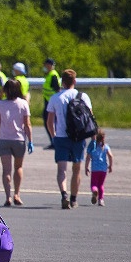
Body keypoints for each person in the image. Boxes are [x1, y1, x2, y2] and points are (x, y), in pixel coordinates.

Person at [45, 69, 92, 209]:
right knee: (76, 168)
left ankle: (64, 194)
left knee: (62, 169)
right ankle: (74, 199)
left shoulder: (55, 98)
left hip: (61, 136)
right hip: (78, 137)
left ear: (62, 82)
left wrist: (53, 136)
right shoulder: (83, 96)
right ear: (74, 81)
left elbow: (49, 121)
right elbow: (90, 118)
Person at [0, 79, 33, 207]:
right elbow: (27, 124)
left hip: (4, 139)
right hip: (19, 139)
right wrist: (30, 140)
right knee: (18, 167)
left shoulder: (0, 104)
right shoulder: (23, 104)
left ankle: (8, 197)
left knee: (6, 170)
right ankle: (17, 194)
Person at [85, 130, 114, 207]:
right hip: (103, 169)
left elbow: (88, 157)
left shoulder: (92, 147)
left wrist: (86, 167)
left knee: (94, 184)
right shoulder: (106, 147)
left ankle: (95, 191)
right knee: (101, 184)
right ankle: (101, 200)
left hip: (95, 169)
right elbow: (110, 156)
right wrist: (110, 166)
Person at [41, 58, 62, 149]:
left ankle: (55, 141)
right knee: (50, 122)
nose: (44, 67)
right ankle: (54, 141)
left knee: (50, 122)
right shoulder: (50, 75)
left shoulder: (53, 75)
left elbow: (57, 89)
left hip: (51, 103)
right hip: (49, 101)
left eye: (45, 65)